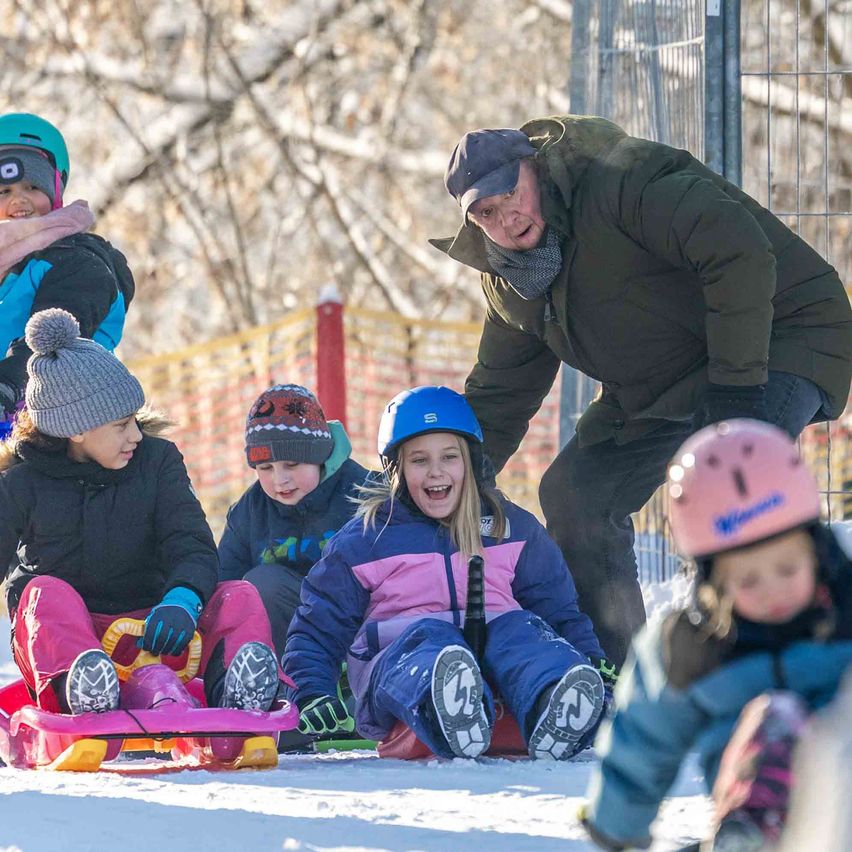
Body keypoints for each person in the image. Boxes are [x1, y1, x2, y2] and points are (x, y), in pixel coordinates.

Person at [432, 116, 852, 667]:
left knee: (730, 480)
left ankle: (791, 658)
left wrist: (736, 390)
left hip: (781, 333)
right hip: (674, 378)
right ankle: (626, 674)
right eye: (486, 212)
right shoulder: (512, 283)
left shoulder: (621, 180)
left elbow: (738, 251)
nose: (507, 217)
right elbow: (500, 392)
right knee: (576, 496)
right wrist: (452, 477)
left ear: (533, 168)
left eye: (512, 193)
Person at [283, 385, 612, 760]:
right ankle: (446, 707)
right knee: (430, 637)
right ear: (397, 469)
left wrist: (588, 660)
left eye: (449, 457)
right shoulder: (366, 540)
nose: (436, 472)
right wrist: (312, 691)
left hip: (498, 670)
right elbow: (318, 626)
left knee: (518, 629)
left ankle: (557, 702)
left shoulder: (511, 529)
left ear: (469, 462)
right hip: (401, 672)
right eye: (419, 460)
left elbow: (557, 610)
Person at [578, 419, 852, 851]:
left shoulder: (847, 598)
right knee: (774, 716)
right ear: (712, 583)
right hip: (766, 823)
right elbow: (642, 741)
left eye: (787, 569)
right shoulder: (693, 646)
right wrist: (616, 829)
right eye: (748, 581)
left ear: (816, 549)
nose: (772, 591)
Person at [0, 309, 283, 714]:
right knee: (42, 593)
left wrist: (183, 599)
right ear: (75, 429)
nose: (136, 434)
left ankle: (239, 688)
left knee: (237, 595)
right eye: (121, 425)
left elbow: (190, 542)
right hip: (70, 639)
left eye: (135, 420)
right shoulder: (21, 486)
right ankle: (83, 690)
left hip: (159, 629)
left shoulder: (157, 462)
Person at [218, 383, 369, 660]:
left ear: (319, 456)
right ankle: (280, 684)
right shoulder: (249, 512)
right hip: (289, 639)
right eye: (265, 468)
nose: (280, 479)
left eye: (291, 465)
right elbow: (222, 585)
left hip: (357, 630)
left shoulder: (366, 495)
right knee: (256, 586)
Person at [0, 112, 135, 419]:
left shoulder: (77, 261)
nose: (19, 201)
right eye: (3, 192)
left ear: (55, 191)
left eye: (32, 187)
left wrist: (6, 388)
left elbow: (52, 341)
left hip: (71, 434)